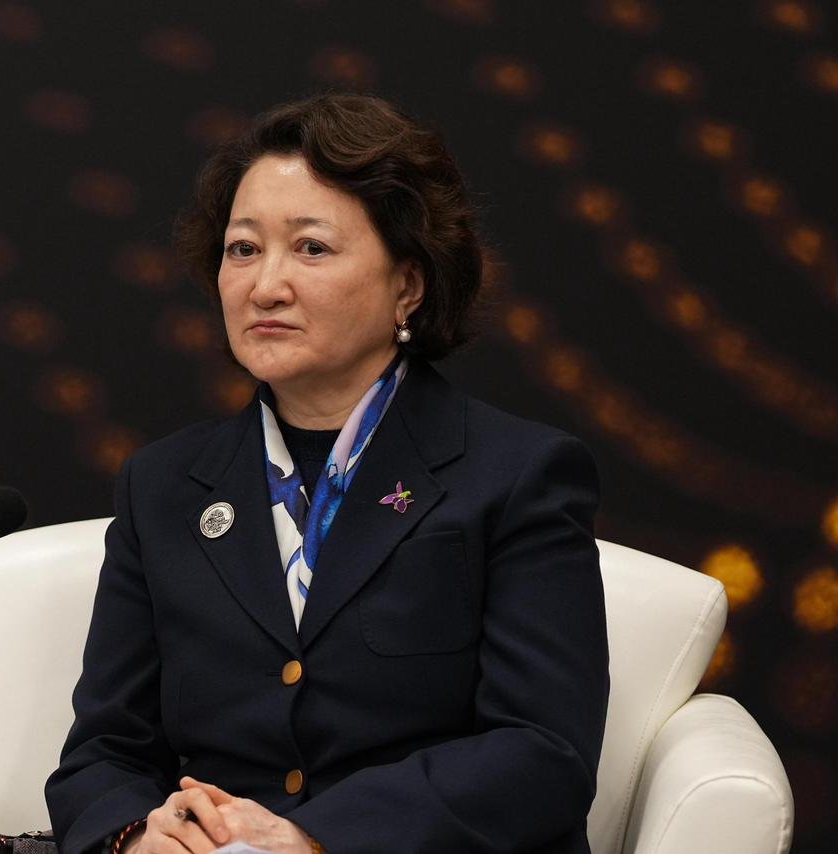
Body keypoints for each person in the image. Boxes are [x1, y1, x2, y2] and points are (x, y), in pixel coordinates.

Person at [45, 93, 608, 854]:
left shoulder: (519, 474)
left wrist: (313, 838)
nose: (265, 285)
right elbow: (105, 750)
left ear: (408, 285)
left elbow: (543, 753)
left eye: (311, 248)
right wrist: (138, 833)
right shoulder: (163, 485)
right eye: (243, 249)